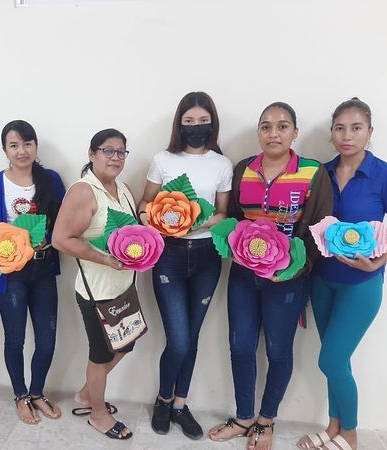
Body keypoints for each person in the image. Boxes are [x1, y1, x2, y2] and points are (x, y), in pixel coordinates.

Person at [208, 102, 332, 450]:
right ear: (259, 132)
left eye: (282, 126)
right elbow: (233, 221)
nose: (273, 133)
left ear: (295, 132)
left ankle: (266, 421)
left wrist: (295, 268)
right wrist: (232, 247)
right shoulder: (243, 169)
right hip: (243, 276)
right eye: (266, 126)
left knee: (278, 350)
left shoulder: (312, 172)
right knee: (240, 346)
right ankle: (244, 418)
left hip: (287, 281)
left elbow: (320, 228)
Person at [296, 98, 387, 450]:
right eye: (339, 128)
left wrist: (377, 262)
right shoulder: (320, 173)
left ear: (369, 132)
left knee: (331, 359)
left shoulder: (386, 175)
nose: (347, 135)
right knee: (335, 359)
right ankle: (333, 427)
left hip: (362, 285)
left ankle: (351, 435)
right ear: (331, 133)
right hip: (322, 280)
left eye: (356, 128)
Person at [137, 92, 232, 440]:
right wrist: (155, 221)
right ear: (179, 124)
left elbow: (223, 212)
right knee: (178, 340)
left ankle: (180, 404)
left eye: (202, 121)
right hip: (169, 256)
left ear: (212, 124)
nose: (196, 127)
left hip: (207, 257)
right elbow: (144, 203)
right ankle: (163, 399)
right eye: (189, 121)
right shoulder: (162, 160)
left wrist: (198, 224)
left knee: (191, 337)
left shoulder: (222, 164)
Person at [0, 120, 65, 425]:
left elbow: (63, 221)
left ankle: (37, 392)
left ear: (36, 146)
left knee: (47, 340)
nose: (22, 151)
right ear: (5, 150)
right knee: (15, 338)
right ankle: (20, 395)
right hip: (9, 273)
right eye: (14, 145)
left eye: (27, 143)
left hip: (43, 268)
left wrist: (47, 237)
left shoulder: (51, 179)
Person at [52, 128, 136, 440]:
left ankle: (88, 393)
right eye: (107, 151)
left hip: (122, 287)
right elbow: (61, 239)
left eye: (121, 152)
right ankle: (97, 414)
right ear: (92, 154)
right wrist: (105, 259)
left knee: (126, 343)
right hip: (96, 290)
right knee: (100, 354)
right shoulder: (83, 191)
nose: (115, 157)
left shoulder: (122, 188)